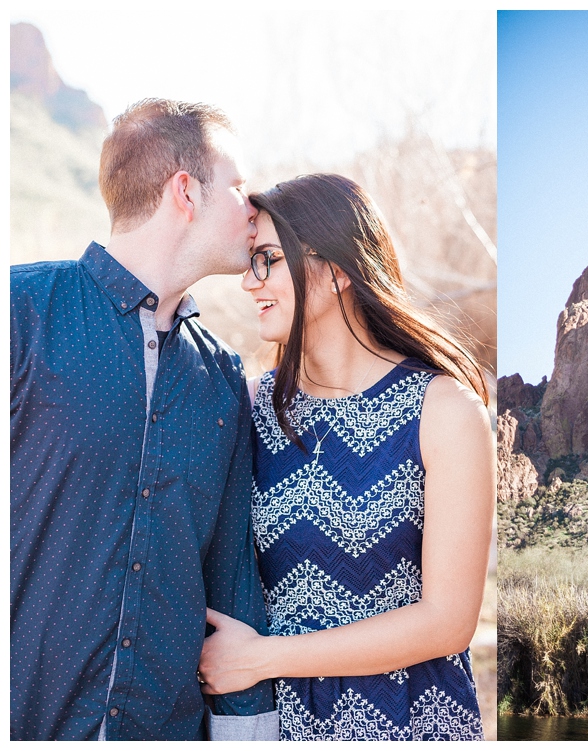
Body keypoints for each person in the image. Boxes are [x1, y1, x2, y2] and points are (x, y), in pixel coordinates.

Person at [10, 99, 277, 741]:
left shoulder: (221, 381)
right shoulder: (20, 313)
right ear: (185, 190)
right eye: (237, 186)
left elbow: (231, 577)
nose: (252, 206)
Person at [196, 174, 495, 740]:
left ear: (334, 271)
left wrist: (265, 657)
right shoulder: (251, 408)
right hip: (279, 724)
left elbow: (450, 622)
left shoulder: (443, 411)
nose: (248, 283)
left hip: (409, 719)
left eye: (266, 260)